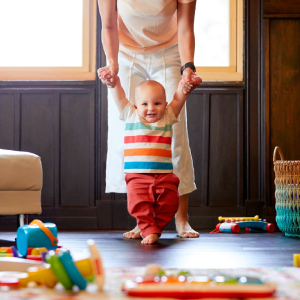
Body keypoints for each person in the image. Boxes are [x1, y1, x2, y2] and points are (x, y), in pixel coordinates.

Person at [97, 0, 202, 239]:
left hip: (168, 51)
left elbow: (185, 26)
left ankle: (181, 217)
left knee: (175, 134)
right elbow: (109, 26)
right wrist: (112, 64)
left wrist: (188, 68)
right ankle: (143, 221)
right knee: (129, 134)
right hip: (124, 53)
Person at [100, 67, 198, 244]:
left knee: (170, 204)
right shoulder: (130, 114)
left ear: (165, 104)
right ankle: (149, 230)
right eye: (145, 104)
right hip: (137, 176)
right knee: (139, 206)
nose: (151, 108)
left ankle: (153, 228)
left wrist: (185, 86)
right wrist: (113, 83)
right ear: (136, 105)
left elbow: (178, 98)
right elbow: (120, 96)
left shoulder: (168, 116)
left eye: (157, 103)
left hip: (165, 175)